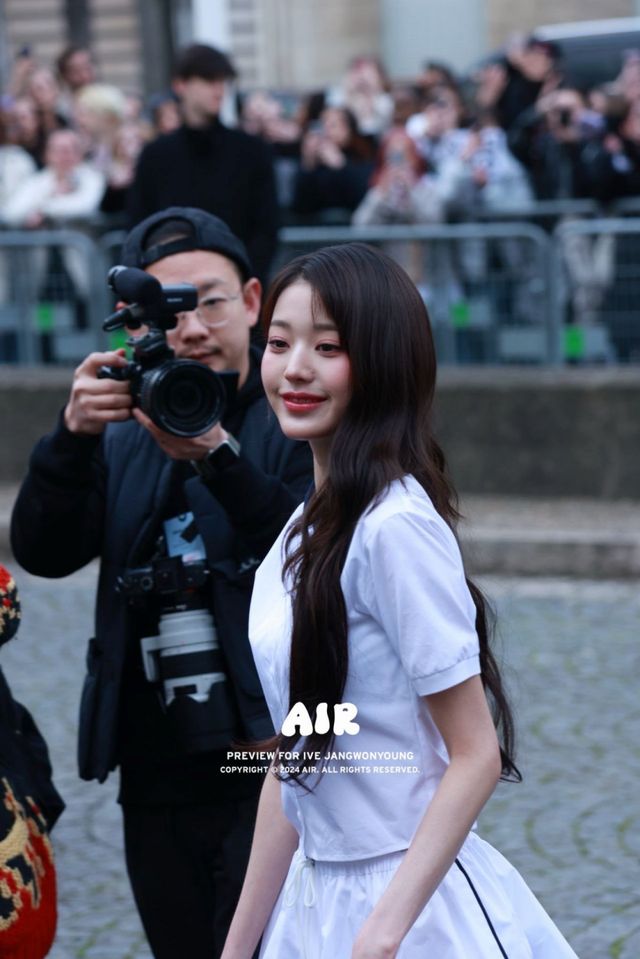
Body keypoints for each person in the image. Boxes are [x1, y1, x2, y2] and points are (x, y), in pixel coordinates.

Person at [221, 243, 579, 958]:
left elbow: (474, 754)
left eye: (327, 347)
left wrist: (381, 935)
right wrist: (239, 945)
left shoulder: (395, 527)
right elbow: (296, 759)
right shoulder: (299, 532)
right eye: (280, 344)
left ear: (382, 363)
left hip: (414, 908)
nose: (295, 369)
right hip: (314, 900)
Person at [10, 207, 313, 959]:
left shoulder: (296, 413)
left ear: (252, 301)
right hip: (153, 766)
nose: (192, 328)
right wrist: (69, 440)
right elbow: (44, 553)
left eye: (209, 301)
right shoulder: (122, 426)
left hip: (269, 761)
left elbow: (316, 558)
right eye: (166, 312)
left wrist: (216, 454)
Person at [127, 43, 279, 283]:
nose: (219, 90)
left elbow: (266, 227)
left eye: (223, 81)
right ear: (181, 85)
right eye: (209, 80)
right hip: (172, 286)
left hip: (236, 285)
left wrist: (243, 280)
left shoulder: (252, 151)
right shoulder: (155, 155)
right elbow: (140, 225)